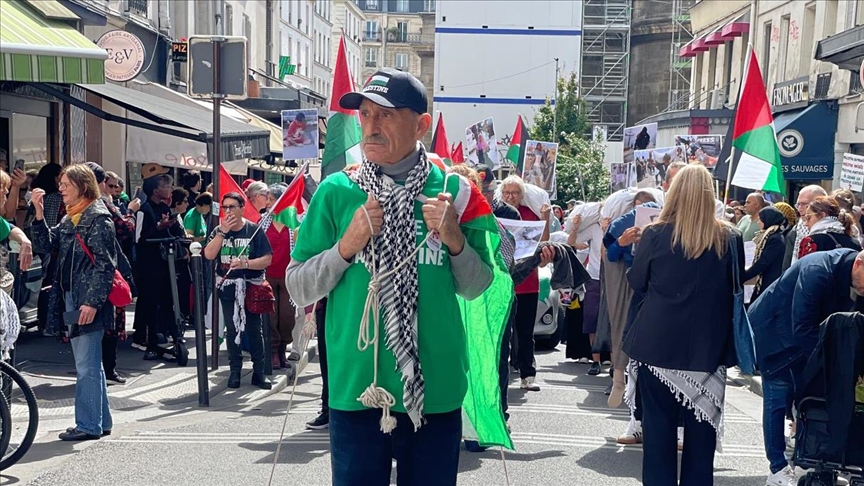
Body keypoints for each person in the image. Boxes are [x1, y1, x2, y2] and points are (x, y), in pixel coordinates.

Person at [285, 67, 496, 485]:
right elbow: (298, 286)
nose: (371, 125)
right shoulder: (336, 191)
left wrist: (455, 238)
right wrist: (347, 246)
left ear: (420, 125)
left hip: (433, 390)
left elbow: (477, 287)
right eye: (365, 114)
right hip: (357, 389)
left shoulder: (456, 192)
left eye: (385, 114)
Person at [623, 165, 741, 485]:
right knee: (701, 440)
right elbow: (735, 287)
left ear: (673, 193)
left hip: (657, 345)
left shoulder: (655, 234)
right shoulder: (730, 237)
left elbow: (637, 281)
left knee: (658, 435)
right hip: (708, 349)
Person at [748, 248, 864, 486]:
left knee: (807, 398)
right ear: (859, 263)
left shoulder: (849, 271)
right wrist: (835, 361)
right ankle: (778, 468)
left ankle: (809, 456)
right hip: (774, 333)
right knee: (778, 398)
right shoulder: (817, 270)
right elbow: (802, 325)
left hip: (803, 335)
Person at [31, 164, 117, 441]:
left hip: (86, 299)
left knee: (86, 365)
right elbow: (46, 244)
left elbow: (105, 265)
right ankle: (100, 422)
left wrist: (91, 303)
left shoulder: (97, 217)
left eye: (66, 184)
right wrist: (39, 213)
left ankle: (88, 425)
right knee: (91, 363)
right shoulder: (72, 217)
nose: (61, 189)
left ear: (82, 185)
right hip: (73, 297)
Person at [204, 192, 273, 389]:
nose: (228, 211)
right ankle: (235, 371)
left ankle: (258, 372)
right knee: (232, 330)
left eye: (232, 207)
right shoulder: (219, 230)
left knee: (254, 330)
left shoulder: (254, 230)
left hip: (251, 286)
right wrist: (222, 232)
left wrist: (245, 263)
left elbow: (267, 259)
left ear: (242, 208)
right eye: (225, 207)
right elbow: (209, 254)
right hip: (228, 288)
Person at [85, 162, 135, 386]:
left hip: (87, 272)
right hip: (103, 271)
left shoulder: (81, 205)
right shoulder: (102, 204)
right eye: (109, 184)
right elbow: (125, 228)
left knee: (95, 326)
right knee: (108, 323)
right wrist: (131, 211)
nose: (113, 188)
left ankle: (97, 371)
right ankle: (106, 370)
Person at [500, 174, 550, 391]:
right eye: (507, 192)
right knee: (502, 331)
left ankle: (527, 375)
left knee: (525, 331)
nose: (511, 197)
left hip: (527, 282)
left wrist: (545, 218)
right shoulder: (495, 213)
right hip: (501, 281)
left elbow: (543, 240)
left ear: (522, 195)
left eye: (516, 192)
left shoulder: (530, 214)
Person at [132, 171, 185, 359]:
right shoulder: (144, 210)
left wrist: (172, 224)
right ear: (155, 190)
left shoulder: (165, 206)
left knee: (169, 301)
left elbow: (178, 231)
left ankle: (173, 336)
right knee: (150, 304)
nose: (170, 189)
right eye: (166, 186)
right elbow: (138, 238)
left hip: (167, 264)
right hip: (149, 267)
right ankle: (151, 344)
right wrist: (159, 228)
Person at [262, 183, 296, 370]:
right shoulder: (262, 221)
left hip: (288, 276)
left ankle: (283, 347)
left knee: (287, 316)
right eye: (267, 199)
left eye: (271, 199)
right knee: (271, 314)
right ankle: (274, 351)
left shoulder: (295, 222)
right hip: (267, 274)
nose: (267, 203)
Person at [742, 206, 789, 302]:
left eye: (760, 219)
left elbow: (763, 262)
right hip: (764, 281)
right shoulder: (768, 236)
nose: (758, 222)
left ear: (768, 220)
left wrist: (743, 276)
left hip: (770, 282)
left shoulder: (776, 239)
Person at [784, 185, 827, 270]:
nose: (799, 209)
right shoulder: (795, 230)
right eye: (798, 205)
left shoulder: (836, 229)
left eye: (804, 204)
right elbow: (787, 265)